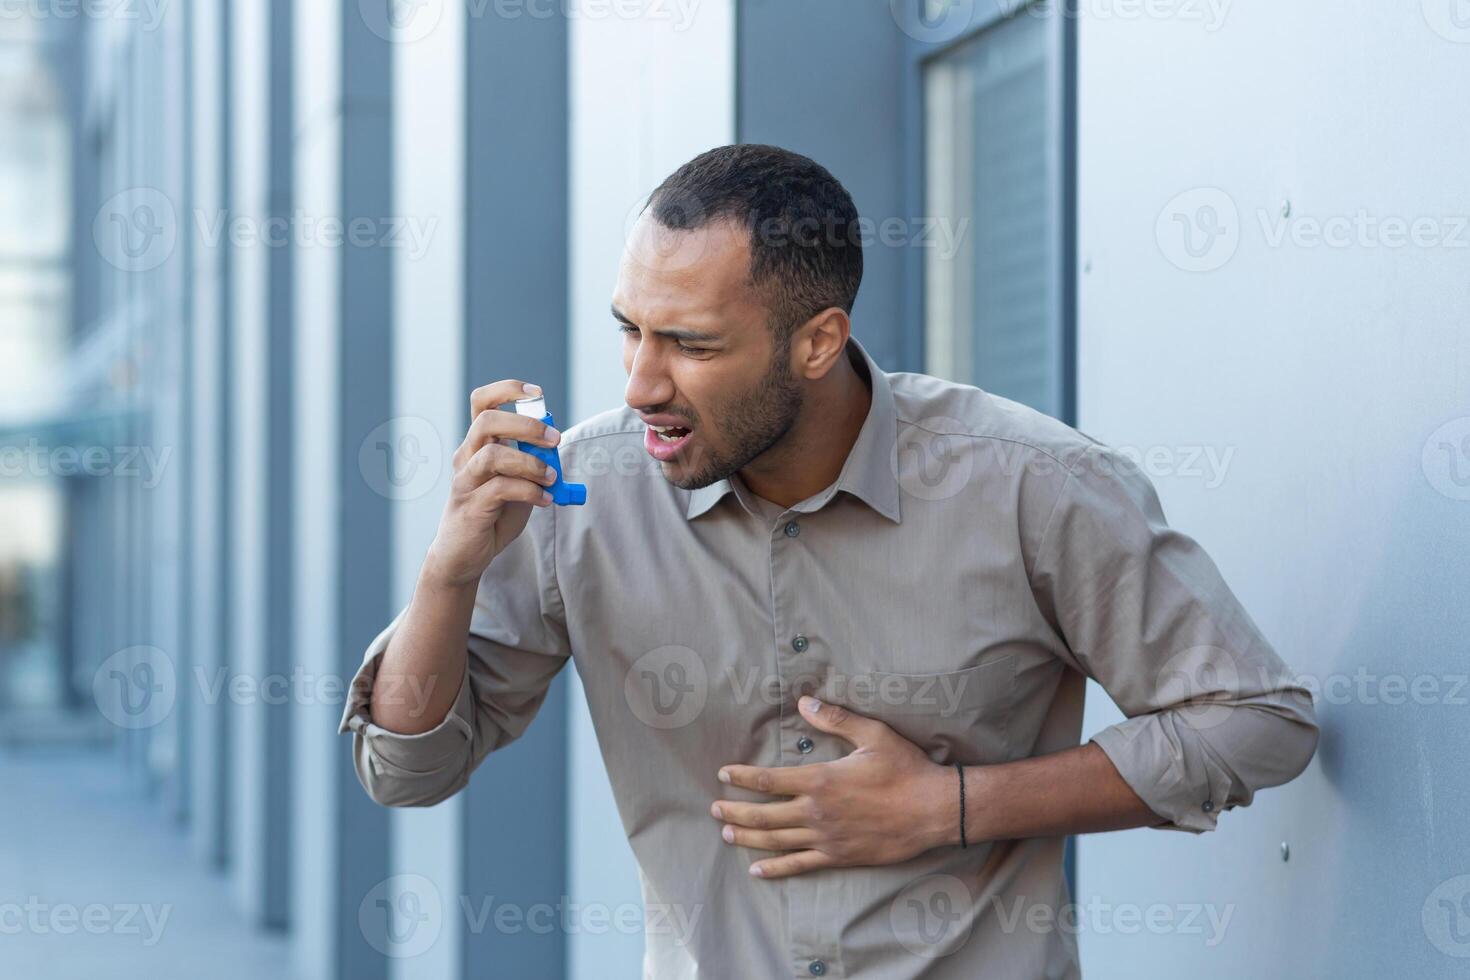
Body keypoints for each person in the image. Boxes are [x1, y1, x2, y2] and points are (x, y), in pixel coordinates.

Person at [339, 143, 1318, 978]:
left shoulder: (1032, 486)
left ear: (817, 343)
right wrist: (448, 569)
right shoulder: (578, 495)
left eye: (689, 342)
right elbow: (407, 766)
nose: (639, 382)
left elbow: (1258, 721)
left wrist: (954, 805)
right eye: (630, 329)